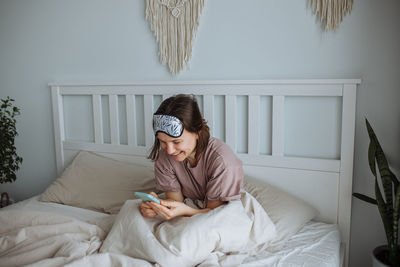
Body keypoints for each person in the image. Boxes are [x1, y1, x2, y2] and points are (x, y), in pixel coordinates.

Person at [139, 94, 243, 220]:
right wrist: (157, 208)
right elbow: (175, 202)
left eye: (177, 142)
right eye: (163, 142)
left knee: (191, 233)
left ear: (197, 133)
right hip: (188, 205)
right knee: (131, 211)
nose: (170, 151)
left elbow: (216, 215)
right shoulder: (164, 158)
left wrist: (187, 211)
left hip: (219, 213)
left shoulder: (222, 160)